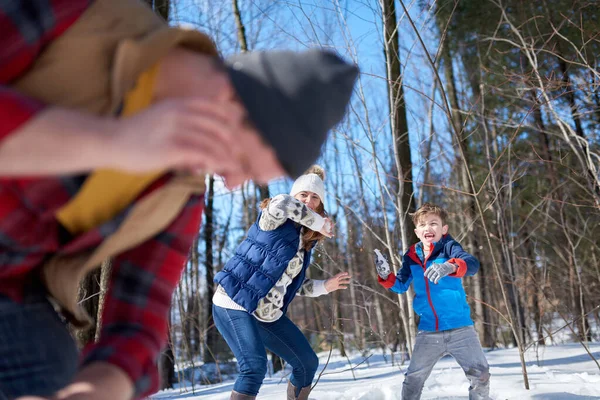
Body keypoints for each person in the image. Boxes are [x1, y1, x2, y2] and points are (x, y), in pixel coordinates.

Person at [0, 0, 358, 399]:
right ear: (232, 102)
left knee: (52, 366)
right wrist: (111, 142)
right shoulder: (88, 18)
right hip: (235, 303)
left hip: (16, 294)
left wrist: (98, 386)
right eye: (243, 160)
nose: (234, 181)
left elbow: (139, 317)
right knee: (253, 367)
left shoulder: (180, 192)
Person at [212, 166, 351, 400]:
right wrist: (318, 223)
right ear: (296, 196)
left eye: (315, 197)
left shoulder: (303, 242)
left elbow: (291, 283)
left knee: (307, 362)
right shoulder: (273, 220)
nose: (309, 200)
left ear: (320, 204)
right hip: (233, 302)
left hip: (265, 313)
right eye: (304, 195)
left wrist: (325, 286)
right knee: (254, 366)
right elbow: (281, 202)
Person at [375, 203, 490, 400]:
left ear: (444, 229)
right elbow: (401, 285)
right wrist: (386, 276)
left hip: (461, 328)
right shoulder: (411, 256)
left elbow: (471, 264)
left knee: (480, 374)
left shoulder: (449, 247)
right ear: (417, 231)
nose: (428, 228)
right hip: (429, 331)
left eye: (434, 223)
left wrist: (451, 266)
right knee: (414, 378)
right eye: (423, 224)